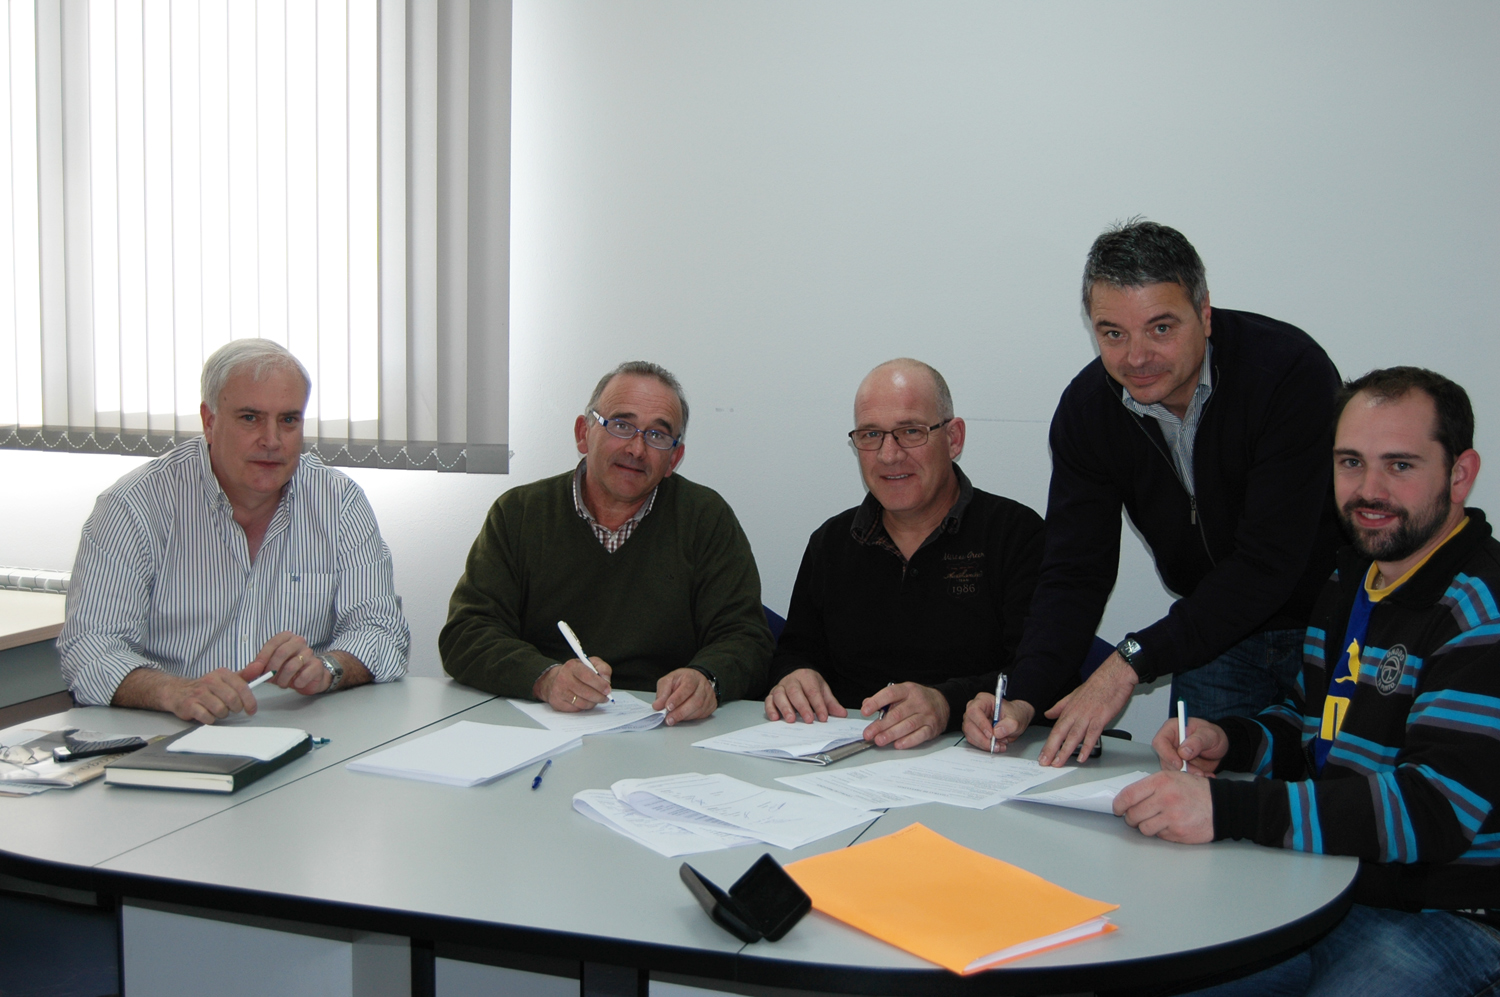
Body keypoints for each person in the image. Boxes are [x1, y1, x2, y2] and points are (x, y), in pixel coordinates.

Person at [1115, 367, 1500, 996]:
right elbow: (1317, 728)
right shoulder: (1351, 580)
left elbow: (1434, 811)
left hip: (1450, 915)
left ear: (1460, 474)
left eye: (1400, 465)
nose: (1368, 489)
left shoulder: (1482, 609)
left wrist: (1229, 809)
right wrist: (1234, 743)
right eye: (1351, 462)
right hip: (1332, 885)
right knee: (1147, 971)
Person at [964, 220, 1343, 765]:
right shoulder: (1088, 411)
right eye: (1113, 333)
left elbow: (1269, 561)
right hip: (1214, 637)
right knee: (1196, 794)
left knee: (1332, 794)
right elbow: (1075, 572)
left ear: (1204, 313)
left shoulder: (1285, 372)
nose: (1136, 357)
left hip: (1328, 626)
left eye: (1160, 328)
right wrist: (1024, 694)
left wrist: (1130, 661)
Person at [58, 339, 411, 724]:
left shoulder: (339, 502)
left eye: (288, 420)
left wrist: (328, 667)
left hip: (297, 728)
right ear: (209, 422)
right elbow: (89, 650)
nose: (272, 441)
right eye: (250, 418)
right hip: (170, 728)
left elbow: (382, 631)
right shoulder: (133, 507)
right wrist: (175, 691)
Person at [439, 360, 773, 725]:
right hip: (540, 723)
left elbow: (747, 637)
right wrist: (544, 678)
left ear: (673, 459)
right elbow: (467, 632)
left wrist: (707, 678)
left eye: (657, 435)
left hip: (666, 726)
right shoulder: (519, 513)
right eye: (621, 426)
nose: (637, 449)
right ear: (583, 433)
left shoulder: (705, 518)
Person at [765, 359, 1044, 748]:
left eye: (910, 432)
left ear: (954, 438)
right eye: (871, 434)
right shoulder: (831, 542)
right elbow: (796, 651)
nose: (889, 455)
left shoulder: (1015, 534)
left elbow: (1042, 672)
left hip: (977, 756)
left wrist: (946, 703)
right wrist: (794, 677)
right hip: (849, 754)